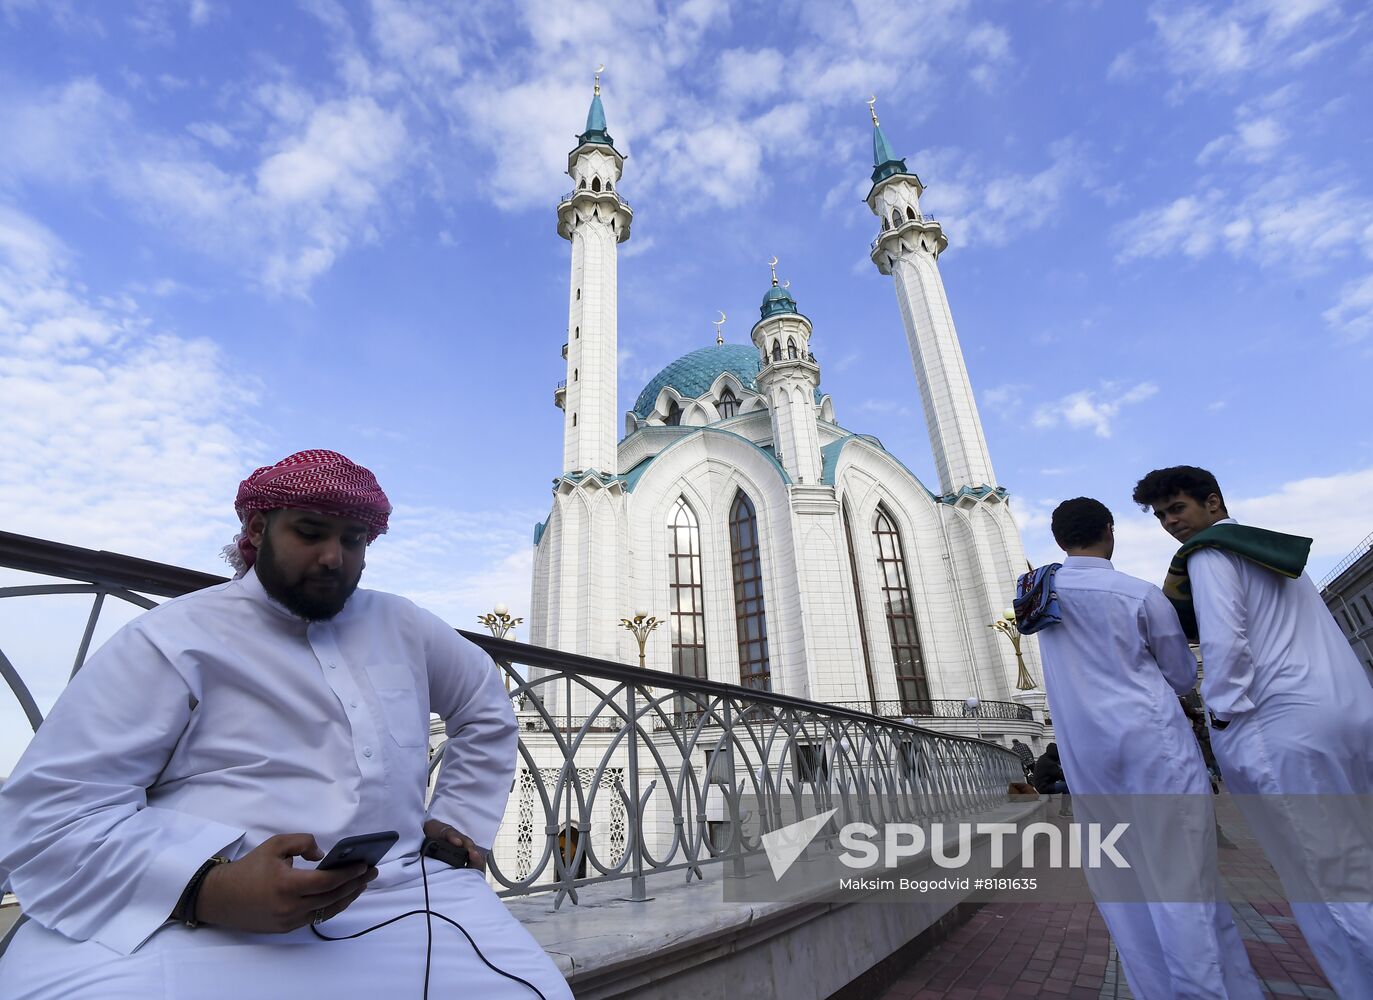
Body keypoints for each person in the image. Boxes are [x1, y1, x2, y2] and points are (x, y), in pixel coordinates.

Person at [0, 450, 572, 999]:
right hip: (193, 919)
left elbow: (484, 705)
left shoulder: (402, 624)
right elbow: (50, 813)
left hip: (402, 894)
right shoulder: (175, 638)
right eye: (310, 532)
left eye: (353, 540)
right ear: (256, 530)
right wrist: (207, 888)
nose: (333, 557)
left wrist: (456, 818)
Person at [1135, 465, 1373, 997]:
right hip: (1343, 716)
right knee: (1349, 865)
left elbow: (1225, 642)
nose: (1171, 523)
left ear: (1213, 503)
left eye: (1179, 509)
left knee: (1329, 880)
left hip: (1281, 727)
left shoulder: (1210, 554)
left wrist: (1219, 713)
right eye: (1162, 515)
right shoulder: (1275, 556)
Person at [1026, 497, 1262, 1000]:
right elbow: (1179, 674)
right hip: (1153, 751)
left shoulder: (1040, 596)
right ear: (1110, 531)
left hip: (1088, 758)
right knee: (1184, 882)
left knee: (1122, 887)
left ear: (1059, 539)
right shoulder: (1136, 594)